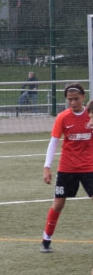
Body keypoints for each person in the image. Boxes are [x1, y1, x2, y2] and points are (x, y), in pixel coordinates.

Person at [39, 83, 93, 253]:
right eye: (70, 99)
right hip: (67, 168)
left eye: (76, 99)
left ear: (83, 97)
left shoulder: (91, 116)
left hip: (89, 167)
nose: (73, 102)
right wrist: (47, 167)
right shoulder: (63, 117)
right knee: (58, 203)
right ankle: (46, 239)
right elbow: (53, 142)